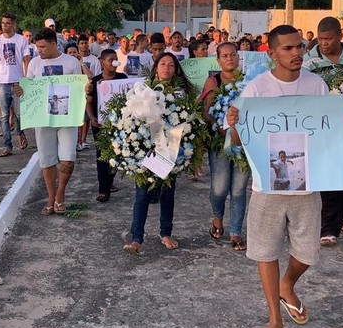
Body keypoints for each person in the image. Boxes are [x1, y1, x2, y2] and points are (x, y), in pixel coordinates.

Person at [226, 24, 343, 328]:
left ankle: (287, 284)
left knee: (307, 253)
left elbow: (328, 128)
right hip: (268, 186)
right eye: (287, 48)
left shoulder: (316, 85)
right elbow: (239, 139)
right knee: (265, 251)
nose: (296, 53)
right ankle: (275, 320)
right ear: (272, 53)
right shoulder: (257, 89)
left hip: (307, 183)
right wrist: (234, 124)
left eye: (300, 46)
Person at [303, 17, 343, 247]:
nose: (323, 43)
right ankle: (328, 230)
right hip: (323, 128)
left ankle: (338, 216)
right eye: (320, 39)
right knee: (330, 178)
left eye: (328, 39)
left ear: (340, 37)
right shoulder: (309, 62)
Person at [122, 52, 195, 254]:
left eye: (171, 65)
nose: (167, 68)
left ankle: (166, 233)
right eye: (163, 64)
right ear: (156, 67)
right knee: (142, 194)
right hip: (146, 149)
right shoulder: (143, 90)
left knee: (167, 193)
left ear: (176, 70)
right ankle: (136, 238)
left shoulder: (181, 94)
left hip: (169, 148)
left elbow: (188, 121)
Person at [16, 28, 84, 215]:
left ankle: (61, 192)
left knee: (68, 159)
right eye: (37, 47)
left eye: (43, 47)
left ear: (54, 44)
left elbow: (79, 88)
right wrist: (22, 91)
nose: (39, 50)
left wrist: (84, 90)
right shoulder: (34, 64)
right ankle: (51, 197)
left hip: (66, 117)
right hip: (43, 118)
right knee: (47, 160)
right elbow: (29, 88)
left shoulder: (71, 62)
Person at [200, 41, 249, 251]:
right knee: (219, 188)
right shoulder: (213, 81)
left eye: (233, 55)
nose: (230, 58)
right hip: (220, 142)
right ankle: (217, 217)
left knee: (238, 189)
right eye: (225, 56)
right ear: (218, 60)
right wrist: (218, 125)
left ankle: (236, 231)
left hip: (244, 144)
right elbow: (205, 111)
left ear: (238, 57)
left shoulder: (249, 81)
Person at [86, 49, 127, 201]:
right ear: (102, 62)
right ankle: (103, 189)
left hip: (119, 126)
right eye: (110, 60)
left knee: (116, 155)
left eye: (116, 59)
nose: (114, 63)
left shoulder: (122, 78)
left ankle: (109, 181)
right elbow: (88, 102)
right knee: (102, 157)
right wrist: (91, 118)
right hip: (100, 125)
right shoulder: (95, 81)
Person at [0, 13, 31, 157]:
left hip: (18, 81)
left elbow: (27, 60)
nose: (4, 25)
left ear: (13, 24)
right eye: (3, 23)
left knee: (20, 114)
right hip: (2, 81)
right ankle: (7, 145)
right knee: (4, 116)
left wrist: (26, 79)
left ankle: (20, 133)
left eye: (7, 23)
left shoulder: (21, 40)